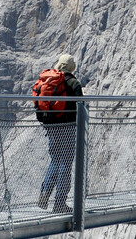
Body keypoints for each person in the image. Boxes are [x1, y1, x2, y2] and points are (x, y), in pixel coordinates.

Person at [32, 54, 83, 214]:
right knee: (65, 164)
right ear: (71, 68)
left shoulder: (49, 80)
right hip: (67, 127)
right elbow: (80, 106)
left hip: (51, 127)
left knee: (55, 160)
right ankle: (60, 202)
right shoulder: (73, 82)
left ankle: (45, 194)